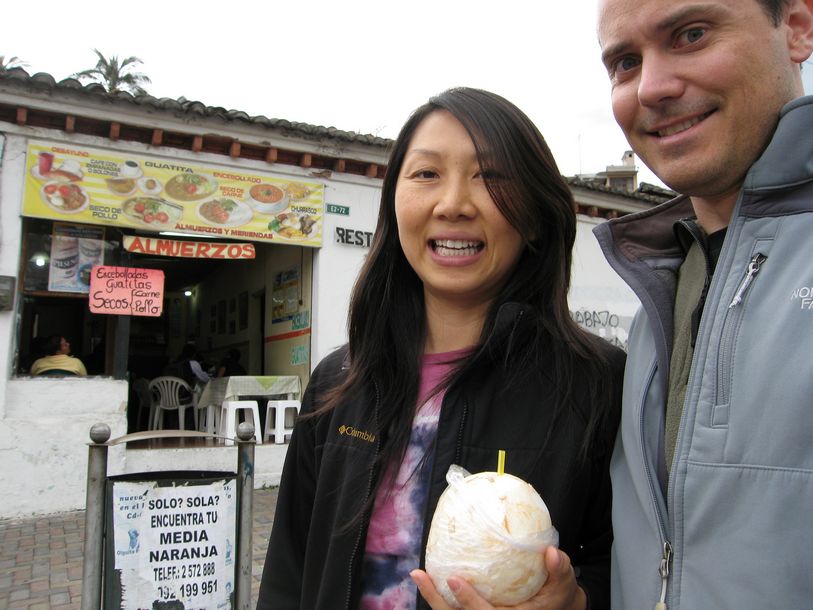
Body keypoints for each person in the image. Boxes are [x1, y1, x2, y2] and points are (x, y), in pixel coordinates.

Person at [256, 87, 625, 610]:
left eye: (490, 176)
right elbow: (289, 572)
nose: (453, 204)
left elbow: (637, 566)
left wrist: (578, 599)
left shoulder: (599, 384)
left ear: (535, 216)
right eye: (427, 173)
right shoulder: (340, 380)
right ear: (394, 203)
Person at [593, 0, 813, 608]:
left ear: (797, 28)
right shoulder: (660, 288)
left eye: (691, 34)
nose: (652, 87)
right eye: (625, 62)